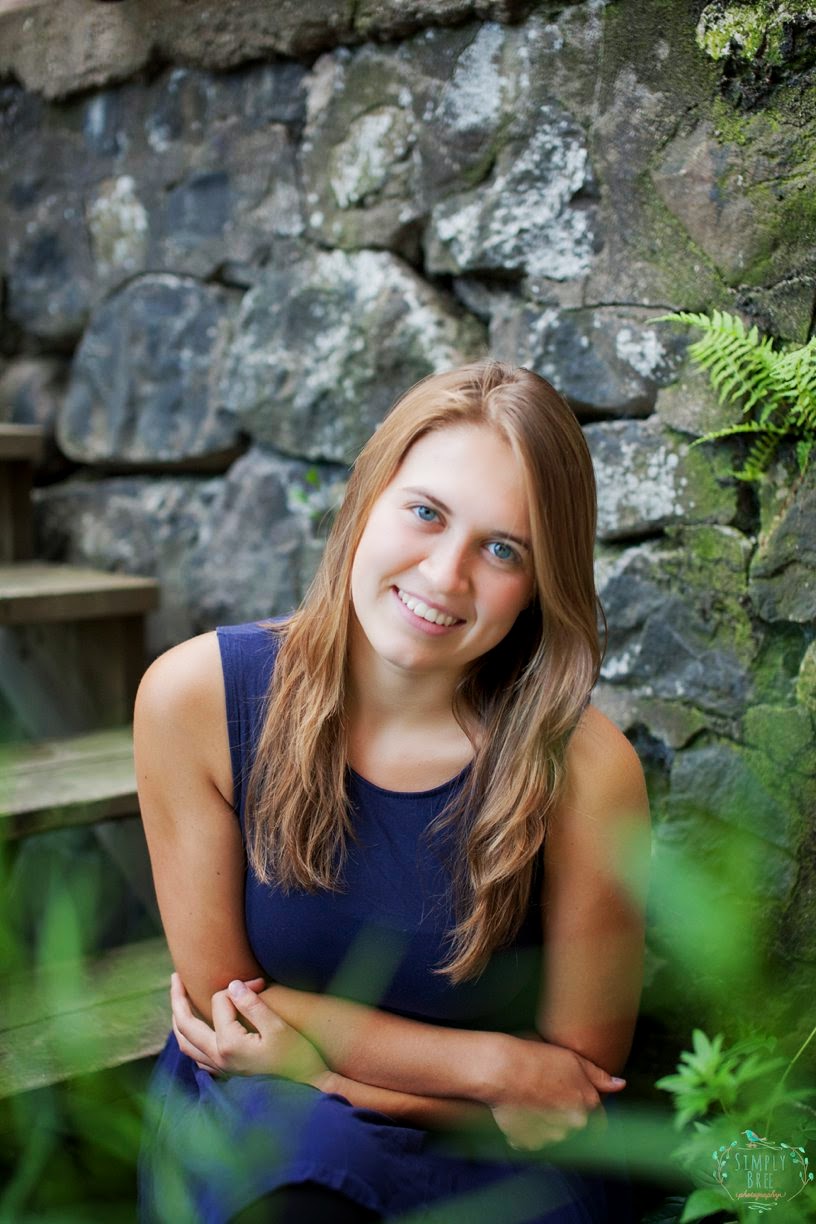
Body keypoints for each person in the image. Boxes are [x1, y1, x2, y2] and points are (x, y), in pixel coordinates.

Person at [135, 361, 651, 1224]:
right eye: (426, 512)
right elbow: (232, 1019)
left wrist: (333, 1072)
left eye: (502, 549)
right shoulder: (197, 699)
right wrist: (492, 1065)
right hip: (265, 1116)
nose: (445, 576)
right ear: (367, 498)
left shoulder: (588, 771)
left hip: (491, 1155)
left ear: (540, 585)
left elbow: (569, 1091)